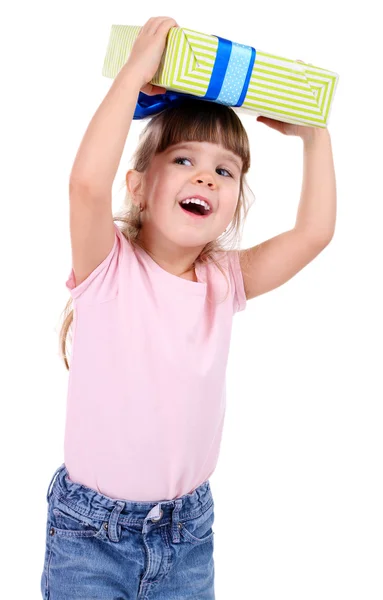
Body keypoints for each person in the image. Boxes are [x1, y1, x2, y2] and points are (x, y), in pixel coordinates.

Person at [40, 16, 336, 600]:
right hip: (91, 538)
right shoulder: (108, 268)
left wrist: (314, 135)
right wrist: (134, 74)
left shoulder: (224, 281)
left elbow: (313, 234)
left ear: (231, 203)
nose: (206, 174)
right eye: (183, 160)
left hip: (187, 535)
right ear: (139, 186)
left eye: (224, 171)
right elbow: (84, 187)